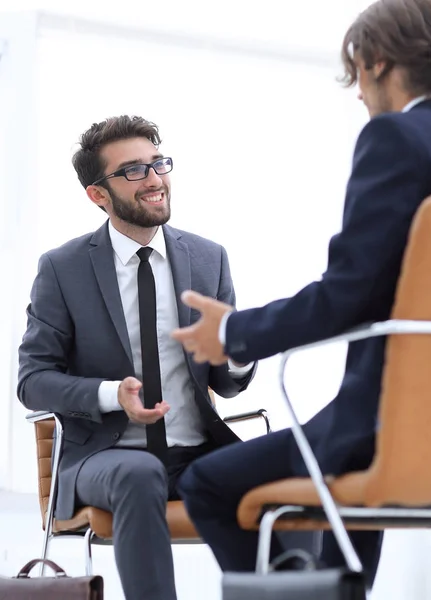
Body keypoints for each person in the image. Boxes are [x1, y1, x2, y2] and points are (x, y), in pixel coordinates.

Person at [172, 0, 431, 588]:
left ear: (375, 62)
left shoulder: (394, 138)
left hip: (388, 428)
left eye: (357, 79)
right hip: (429, 432)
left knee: (206, 484)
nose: (361, 98)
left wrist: (232, 333)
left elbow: (347, 293)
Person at [17, 115, 257, 600]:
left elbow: (227, 380)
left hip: (197, 455)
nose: (153, 179)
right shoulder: (63, 269)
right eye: (133, 170)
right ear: (97, 194)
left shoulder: (209, 259)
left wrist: (236, 353)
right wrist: (109, 395)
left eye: (158, 164)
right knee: (140, 471)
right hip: (105, 458)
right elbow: (33, 380)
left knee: (296, 463)